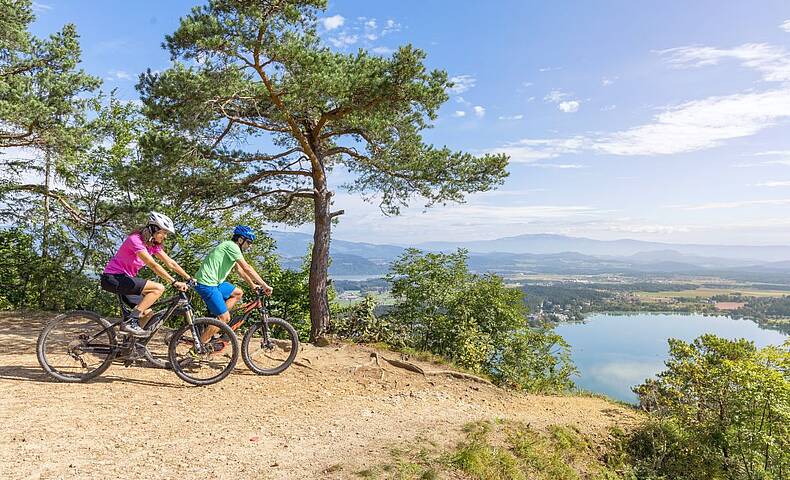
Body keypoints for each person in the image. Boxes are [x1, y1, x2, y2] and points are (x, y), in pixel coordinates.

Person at [100, 212, 192, 336]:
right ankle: (130, 322)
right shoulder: (135, 240)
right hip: (113, 278)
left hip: (126, 280)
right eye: (163, 233)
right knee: (158, 288)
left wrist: (188, 277)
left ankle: (129, 346)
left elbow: (171, 263)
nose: (164, 236)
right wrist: (174, 282)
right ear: (154, 229)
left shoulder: (151, 245)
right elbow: (153, 265)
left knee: (147, 313)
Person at [193, 225, 273, 343]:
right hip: (207, 284)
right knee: (225, 318)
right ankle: (198, 347)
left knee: (237, 293)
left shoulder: (232, 248)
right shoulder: (232, 246)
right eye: (249, 242)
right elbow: (247, 268)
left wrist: (252, 285)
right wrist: (264, 285)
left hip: (215, 283)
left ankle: (216, 323)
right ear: (240, 240)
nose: (250, 245)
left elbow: (240, 270)